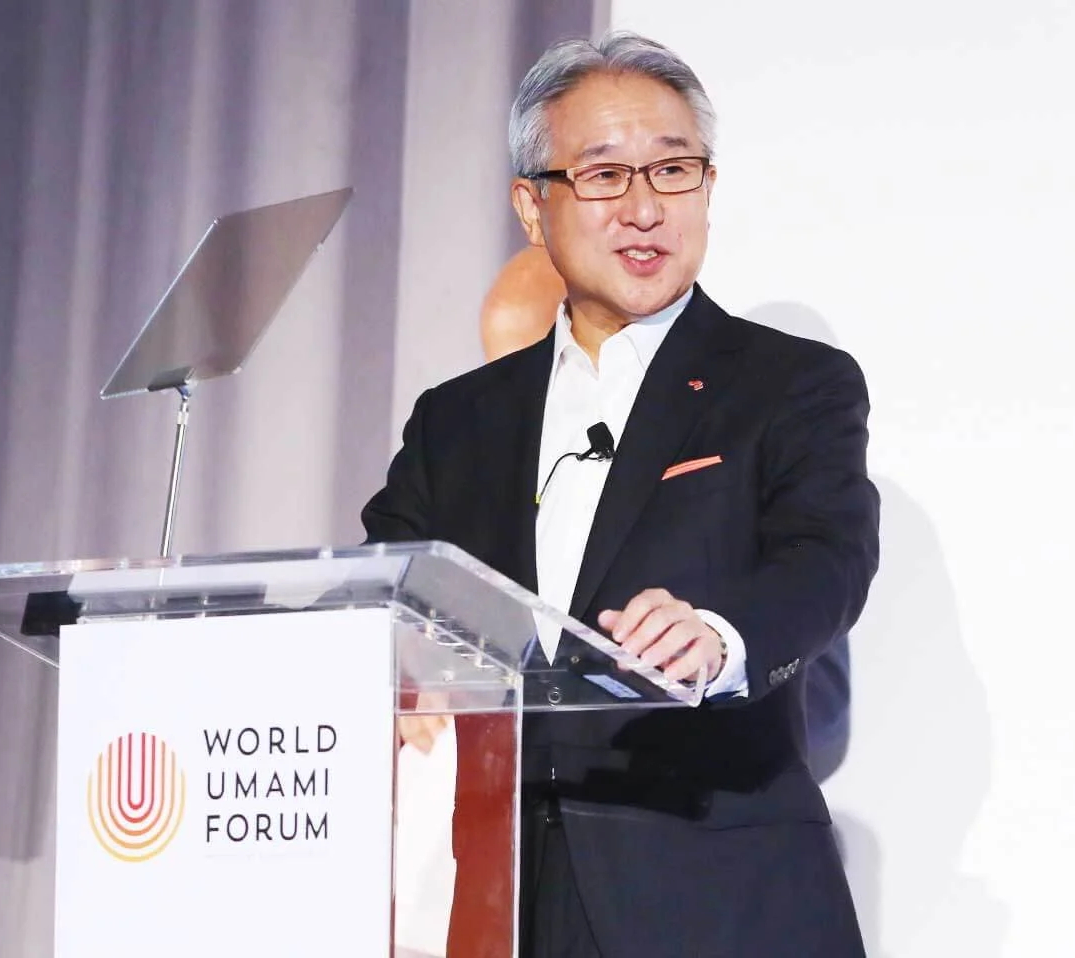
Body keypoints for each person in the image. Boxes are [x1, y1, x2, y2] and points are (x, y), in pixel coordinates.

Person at [363, 31, 880, 957]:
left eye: (674, 170)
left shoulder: (789, 384)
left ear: (708, 189)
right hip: (508, 896)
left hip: (721, 897)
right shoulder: (460, 420)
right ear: (533, 207)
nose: (646, 209)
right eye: (605, 176)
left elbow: (828, 559)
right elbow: (379, 595)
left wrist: (719, 636)